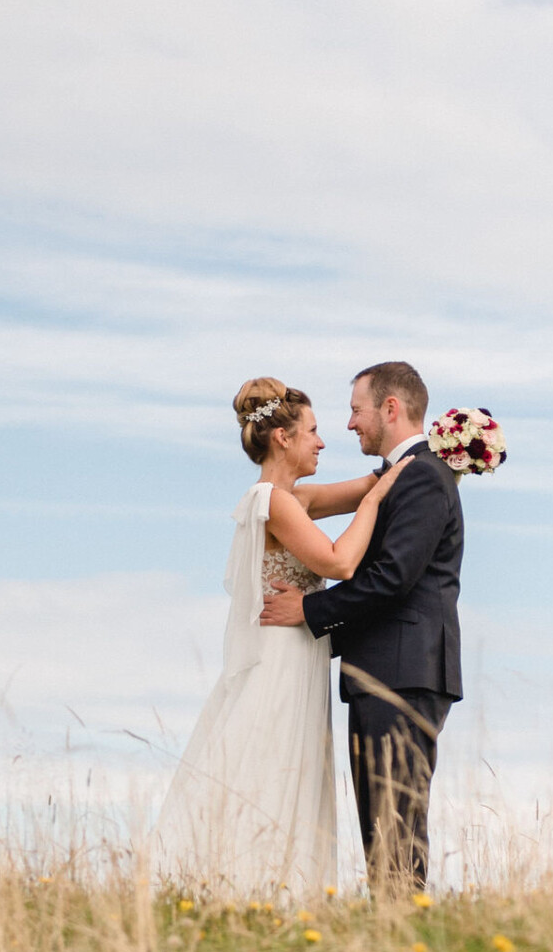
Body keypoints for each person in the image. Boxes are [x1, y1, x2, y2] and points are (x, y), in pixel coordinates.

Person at [153, 379, 407, 896]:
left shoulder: (296, 498)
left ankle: (276, 887)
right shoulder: (273, 501)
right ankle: (252, 885)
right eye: (312, 431)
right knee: (271, 759)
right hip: (281, 656)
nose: (322, 442)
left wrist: (440, 448)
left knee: (290, 762)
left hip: (299, 650)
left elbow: (367, 480)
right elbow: (339, 561)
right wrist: (377, 501)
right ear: (282, 439)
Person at [260, 361, 463, 892]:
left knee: (394, 816)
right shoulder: (404, 471)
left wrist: (308, 613)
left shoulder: (420, 473)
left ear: (390, 409)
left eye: (356, 410)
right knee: (383, 818)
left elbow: (392, 577)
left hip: (403, 672)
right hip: (387, 668)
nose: (349, 425)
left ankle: (401, 929)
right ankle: (393, 928)